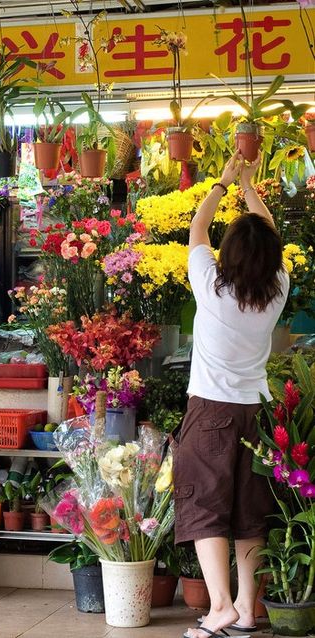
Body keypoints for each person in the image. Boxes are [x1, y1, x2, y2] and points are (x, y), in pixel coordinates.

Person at [174, 151, 290, 638]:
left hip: (211, 413)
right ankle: (245, 607)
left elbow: (196, 232)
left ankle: (218, 607)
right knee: (249, 512)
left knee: (205, 509)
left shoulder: (211, 285)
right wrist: (249, 190)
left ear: (230, 256)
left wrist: (222, 186)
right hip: (256, 415)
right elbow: (271, 238)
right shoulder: (278, 287)